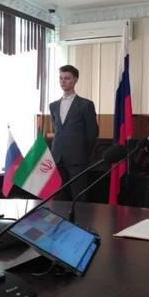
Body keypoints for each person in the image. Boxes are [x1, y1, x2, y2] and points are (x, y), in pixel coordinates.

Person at [49, 65, 99, 200]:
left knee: (79, 197)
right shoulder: (53, 105)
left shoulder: (86, 104)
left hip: (78, 158)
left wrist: (83, 153)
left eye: (67, 78)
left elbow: (92, 133)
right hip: (57, 157)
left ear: (75, 80)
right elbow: (58, 130)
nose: (63, 81)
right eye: (61, 78)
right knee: (59, 198)